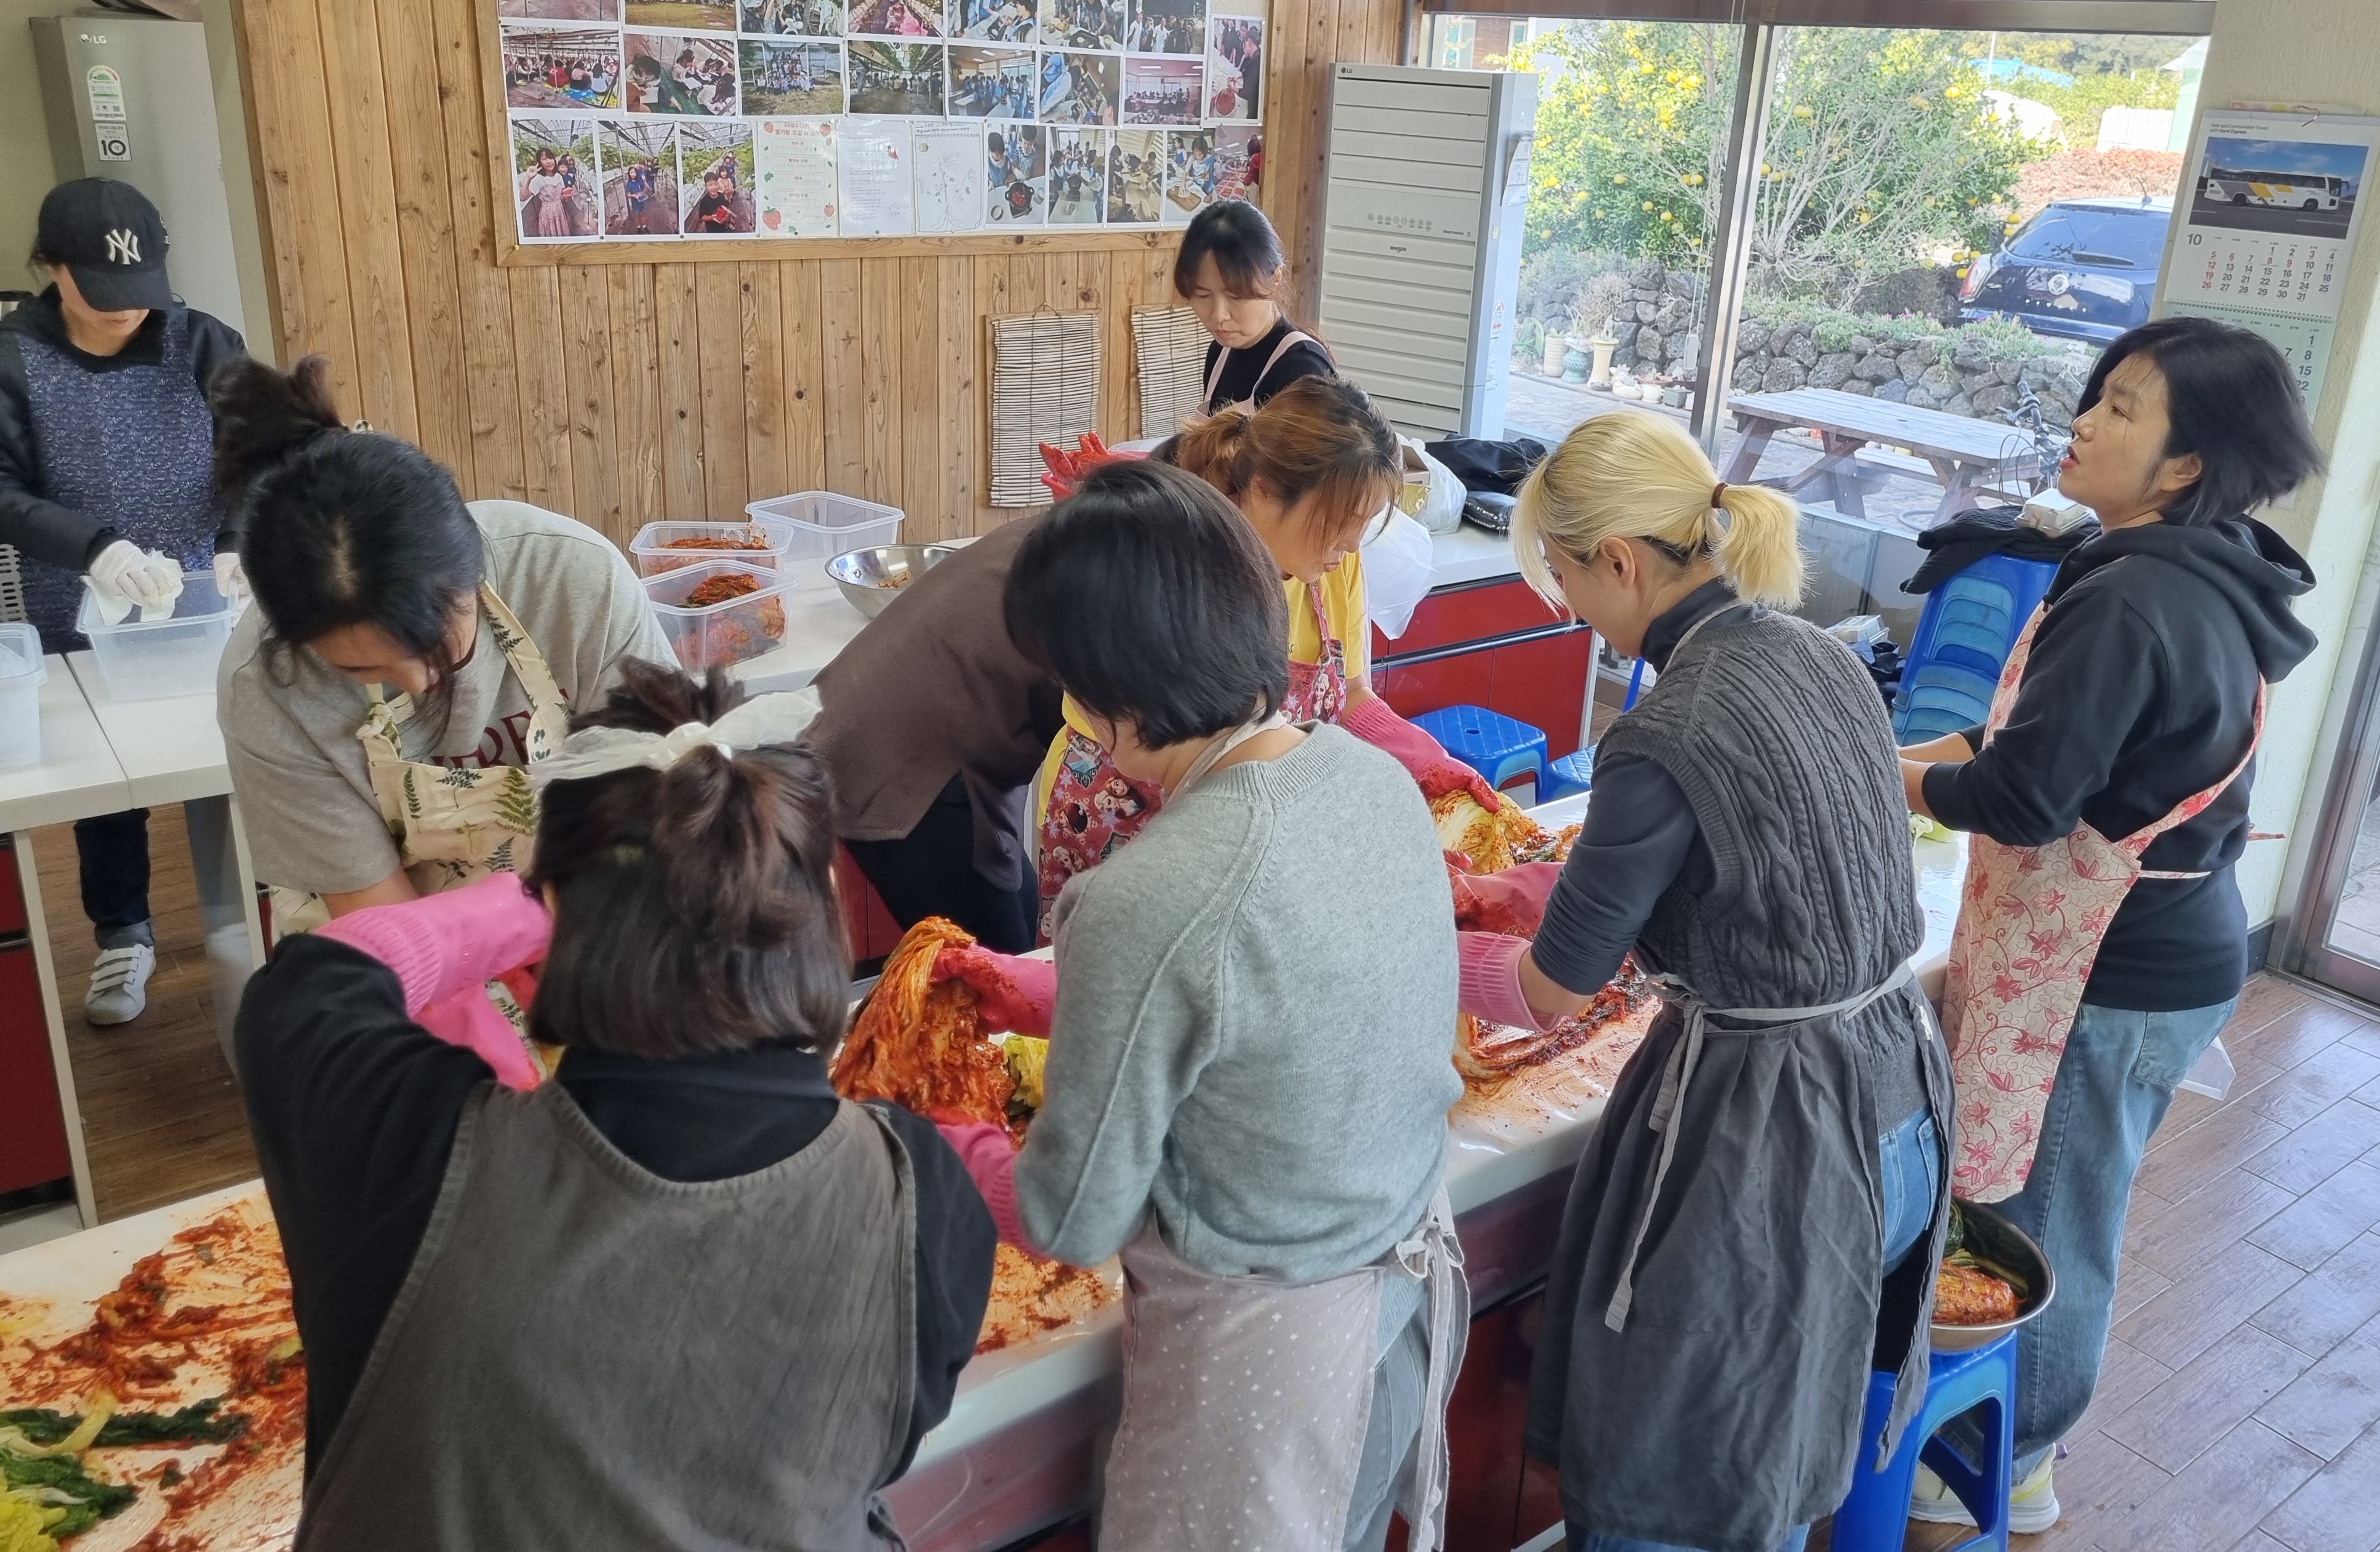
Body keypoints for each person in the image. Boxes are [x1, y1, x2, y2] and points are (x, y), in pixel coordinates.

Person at [236, 661, 995, 1549]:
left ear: (556, 904)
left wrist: (525, 903)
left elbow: (312, 987)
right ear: (819, 903)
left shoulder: (406, 1148)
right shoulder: (925, 1198)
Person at [939, 460, 1467, 1551]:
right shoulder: (1364, 778)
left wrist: (940, 1143)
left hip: (1262, 1376)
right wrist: (1061, 996)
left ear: (1100, 698)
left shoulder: (1144, 895)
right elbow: (1273, 998)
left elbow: (1069, 1217)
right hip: (1397, 1314)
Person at [1470, 412, 1948, 1552]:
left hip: (1773, 1138)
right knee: (1766, 1455)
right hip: (1900, 1103)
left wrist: (1420, 944)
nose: (1568, 606)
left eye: (1566, 578)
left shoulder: (1661, 728)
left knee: (1680, 1477)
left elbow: (1551, 990)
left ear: (1620, 561)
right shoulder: (1819, 650)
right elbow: (1746, 865)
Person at [1900, 315, 2323, 1534]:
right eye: (2097, 395)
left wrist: (1887, 782)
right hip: (2158, 950)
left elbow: (2021, 798)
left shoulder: (2131, 597)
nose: (2084, 420)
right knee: (2041, 1205)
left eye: (2123, 409)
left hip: (2109, 969)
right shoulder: (2210, 565)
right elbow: (2048, 746)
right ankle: (1995, 1432)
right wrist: (1900, 751)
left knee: (2048, 1226)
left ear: (2184, 463)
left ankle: (2009, 1463)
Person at [210, 352, 669, 999]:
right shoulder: (267, 686)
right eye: (361, 667)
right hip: (398, 956)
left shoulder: (573, 579)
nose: (421, 685)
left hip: (592, 916)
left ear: (473, 569)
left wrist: (585, 973)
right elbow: (387, 921)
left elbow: (653, 796)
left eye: (436, 644)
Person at [1032, 376, 1497, 938]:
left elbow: (1349, 695)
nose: (1351, 543)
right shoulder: (1182, 560)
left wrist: (1423, 760)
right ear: (1263, 489)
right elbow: (1194, 748)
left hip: (1243, 818)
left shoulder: (1333, 566)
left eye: (1365, 521)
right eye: (1338, 518)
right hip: (1125, 803)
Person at [0, 178, 247, 1026]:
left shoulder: (205, 340)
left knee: (231, 752)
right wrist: (94, 547)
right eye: (102, 295)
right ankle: (123, 935)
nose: (124, 312)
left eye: (138, 294)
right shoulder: (11, 357)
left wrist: (236, 544)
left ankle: (253, 916)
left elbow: (265, 452)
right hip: (80, 601)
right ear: (50, 268)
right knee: (108, 785)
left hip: (209, 598)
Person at [1177, 199, 1332, 419]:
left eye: (1236, 296)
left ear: (1275, 278)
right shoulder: (1221, 351)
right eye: (1202, 295)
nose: (1218, 316)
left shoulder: (1303, 370)